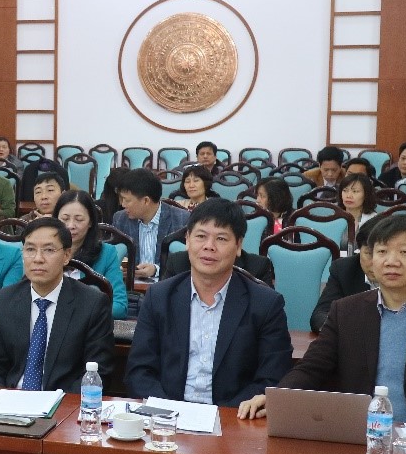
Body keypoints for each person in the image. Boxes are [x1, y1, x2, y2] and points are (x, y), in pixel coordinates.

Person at [239, 214, 406, 443]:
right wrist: (277, 397)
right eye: (382, 252)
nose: (391, 261)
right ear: (371, 259)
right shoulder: (346, 311)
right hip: (360, 436)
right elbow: (311, 368)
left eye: (405, 252)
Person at [124, 199, 292, 406]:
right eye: (201, 236)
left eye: (221, 238)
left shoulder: (266, 304)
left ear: (238, 245)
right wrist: (171, 411)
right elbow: (139, 371)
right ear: (187, 240)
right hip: (168, 416)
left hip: (233, 417)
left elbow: (272, 378)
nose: (209, 246)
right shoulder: (158, 297)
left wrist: (222, 415)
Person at [0, 217, 114, 393]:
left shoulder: (93, 304)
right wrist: (4, 399)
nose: (38, 259)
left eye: (49, 250)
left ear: (66, 255)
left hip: (64, 401)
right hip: (12, 399)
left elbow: (98, 373)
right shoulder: (5, 299)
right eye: (30, 249)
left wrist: (60, 404)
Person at [308, 217, 406, 333]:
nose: (377, 261)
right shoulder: (344, 270)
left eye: (404, 252)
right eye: (370, 253)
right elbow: (320, 316)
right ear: (359, 250)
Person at [55, 191, 128, 319]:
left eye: (79, 219)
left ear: (90, 222)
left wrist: (79, 314)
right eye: (65, 219)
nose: (71, 226)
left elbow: (119, 307)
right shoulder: (43, 251)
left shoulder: (106, 254)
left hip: (88, 326)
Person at [111, 168, 190, 282]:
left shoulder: (181, 219)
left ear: (146, 201)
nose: (123, 204)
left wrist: (156, 269)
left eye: (127, 200)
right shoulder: (120, 219)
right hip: (130, 286)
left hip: (168, 286)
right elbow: (115, 257)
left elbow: (186, 264)